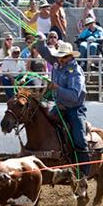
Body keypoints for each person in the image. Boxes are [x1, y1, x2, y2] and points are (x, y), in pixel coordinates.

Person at [35, 35, 89, 190]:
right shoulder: (59, 64)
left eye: (62, 57)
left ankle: (84, 172)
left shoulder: (75, 72)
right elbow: (44, 52)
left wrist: (57, 88)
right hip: (58, 105)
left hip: (74, 108)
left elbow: (75, 95)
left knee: (79, 138)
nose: (58, 59)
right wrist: (40, 40)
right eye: (58, 57)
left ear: (69, 57)